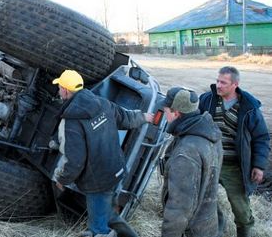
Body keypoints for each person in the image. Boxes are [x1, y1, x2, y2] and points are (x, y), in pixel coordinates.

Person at [51, 69, 154, 237]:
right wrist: (144, 117)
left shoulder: (71, 123)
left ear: (65, 90)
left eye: (60, 87)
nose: (59, 90)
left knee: (98, 228)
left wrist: (62, 179)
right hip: (117, 171)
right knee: (108, 214)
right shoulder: (102, 103)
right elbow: (126, 118)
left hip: (98, 182)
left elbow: (75, 160)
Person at [199, 66, 271, 237]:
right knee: (202, 199)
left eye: (223, 82)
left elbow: (261, 138)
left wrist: (259, 166)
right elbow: (195, 123)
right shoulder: (207, 100)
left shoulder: (249, 109)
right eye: (217, 80)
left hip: (233, 166)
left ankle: (244, 232)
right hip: (210, 161)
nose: (218, 85)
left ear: (235, 85)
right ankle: (218, 225)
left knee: (241, 208)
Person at [159, 87, 223, 237]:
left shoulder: (186, 153)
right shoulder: (211, 136)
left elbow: (179, 208)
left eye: (166, 110)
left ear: (176, 113)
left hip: (191, 230)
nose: (164, 114)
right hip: (208, 223)